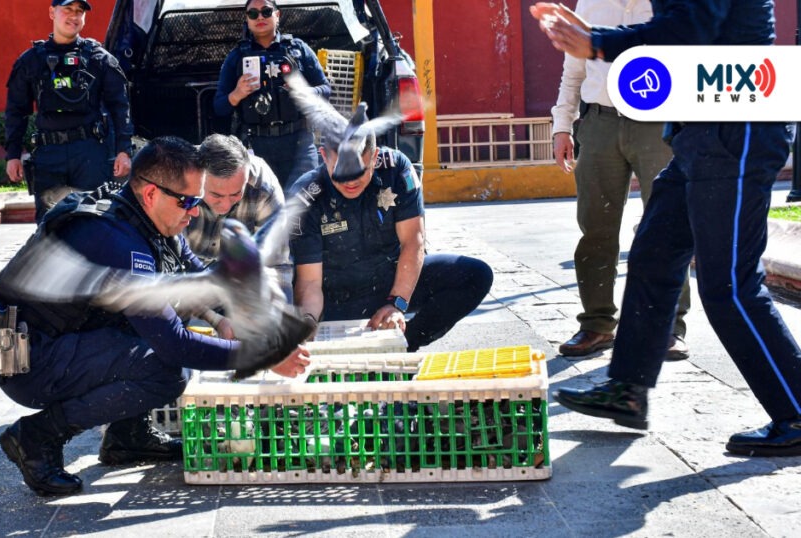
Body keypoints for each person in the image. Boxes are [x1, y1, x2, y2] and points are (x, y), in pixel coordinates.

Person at [532, 1, 801, 457]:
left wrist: (599, 41)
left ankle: (795, 411)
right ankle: (628, 390)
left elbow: (691, 27)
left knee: (729, 285)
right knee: (653, 254)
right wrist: (597, 36)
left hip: (738, 129)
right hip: (702, 132)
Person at [0, 136, 311, 496]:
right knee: (166, 369)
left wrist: (235, 320)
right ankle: (36, 436)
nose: (195, 212)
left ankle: (128, 436)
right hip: (27, 361)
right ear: (152, 194)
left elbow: (196, 277)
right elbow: (175, 345)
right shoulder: (116, 240)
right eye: (188, 201)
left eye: (198, 201)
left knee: (162, 324)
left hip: (55, 341)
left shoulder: (148, 218)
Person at [549, 0, 690, 360]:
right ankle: (596, 325)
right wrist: (562, 126)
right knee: (595, 227)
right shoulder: (589, 3)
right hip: (599, 122)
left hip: (658, 121)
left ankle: (669, 328)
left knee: (665, 226)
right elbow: (574, 69)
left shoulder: (669, 6)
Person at [289, 130, 494, 352]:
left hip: (394, 281)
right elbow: (309, 282)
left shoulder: (396, 169)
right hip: (336, 298)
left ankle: (406, 344)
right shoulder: (305, 196)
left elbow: (413, 241)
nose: (350, 181)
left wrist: (397, 303)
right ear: (324, 156)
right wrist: (306, 325)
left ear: (375, 157)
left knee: (475, 275)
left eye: (360, 171)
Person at [4, 0, 134, 222]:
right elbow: (16, 110)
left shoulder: (98, 59)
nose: (74, 16)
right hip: (48, 154)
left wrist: (124, 150)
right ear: (52, 12)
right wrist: (13, 154)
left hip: (90, 153)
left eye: (79, 11)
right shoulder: (31, 61)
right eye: (67, 9)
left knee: (94, 221)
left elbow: (120, 106)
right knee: (50, 224)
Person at [213, 0, 331, 191]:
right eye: (253, 14)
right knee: (265, 212)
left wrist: (306, 92)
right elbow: (219, 106)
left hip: (299, 142)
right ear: (247, 19)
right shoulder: (236, 57)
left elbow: (326, 89)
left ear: (278, 15)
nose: (260, 17)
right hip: (256, 145)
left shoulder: (298, 49)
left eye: (266, 11)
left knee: (303, 205)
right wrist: (237, 94)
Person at [187, 133, 292, 301]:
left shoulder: (264, 187)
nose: (226, 205)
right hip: (182, 279)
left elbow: (276, 264)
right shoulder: (178, 178)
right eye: (216, 195)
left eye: (236, 194)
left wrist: (281, 316)